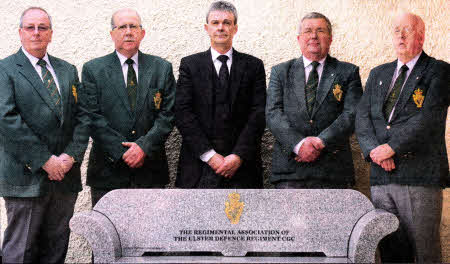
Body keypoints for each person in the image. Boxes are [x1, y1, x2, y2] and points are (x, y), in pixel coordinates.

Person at [355, 12, 448, 263]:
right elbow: (363, 117)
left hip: (419, 177)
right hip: (381, 177)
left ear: (421, 35)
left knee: (423, 253)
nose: (401, 35)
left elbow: (428, 119)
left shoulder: (439, 71)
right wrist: (375, 150)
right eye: (396, 30)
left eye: (407, 29)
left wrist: (392, 148)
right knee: (391, 252)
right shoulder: (378, 73)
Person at [0, 7, 89, 263]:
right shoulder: (5, 69)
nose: (36, 33)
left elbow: (83, 118)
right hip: (26, 178)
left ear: (51, 33)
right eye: (30, 27)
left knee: (55, 251)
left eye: (42, 28)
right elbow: (6, 120)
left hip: (65, 177)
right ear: (20, 33)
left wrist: (70, 157)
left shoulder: (67, 70)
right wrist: (45, 160)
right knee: (21, 252)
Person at [82, 8, 175, 206]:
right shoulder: (93, 70)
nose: (128, 31)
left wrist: (143, 147)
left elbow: (168, 115)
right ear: (112, 34)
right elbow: (91, 116)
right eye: (122, 26)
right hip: (108, 172)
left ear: (143, 33)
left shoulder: (161, 68)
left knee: (151, 234)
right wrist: (122, 151)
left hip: (150, 172)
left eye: (133, 26)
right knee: (108, 235)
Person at [175, 1, 266, 188]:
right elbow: (183, 113)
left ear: (235, 28)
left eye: (227, 22)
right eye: (215, 23)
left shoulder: (253, 66)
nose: (221, 28)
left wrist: (238, 155)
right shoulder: (190, 65)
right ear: (206, 28)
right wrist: (210, 156)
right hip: (198, 167)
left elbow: (258, 113)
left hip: (242, 168)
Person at [266, 12, 362, 189]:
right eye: (308, 31)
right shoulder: (280, 72)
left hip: (333, 171)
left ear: (330, 38)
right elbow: (273, 114)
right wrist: (299, 144)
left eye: (320, 30)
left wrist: (320, 142)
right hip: (290, 171)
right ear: (299, 38)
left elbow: (352, 114)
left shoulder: (348, 72)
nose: (313, 36)